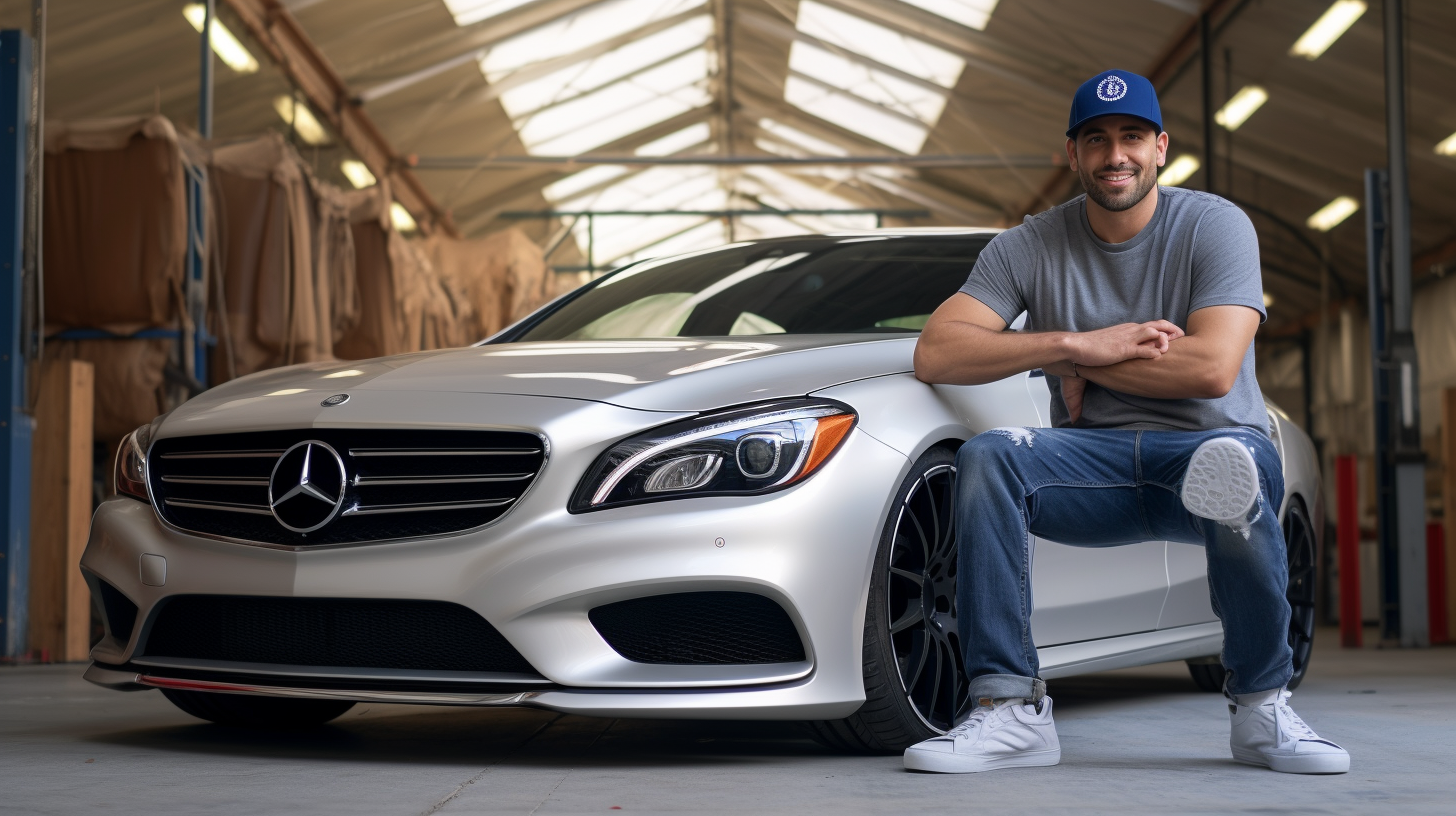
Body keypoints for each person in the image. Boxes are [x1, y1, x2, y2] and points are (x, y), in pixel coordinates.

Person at [904, 69, 1348, 775]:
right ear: (1073, 155)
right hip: (1093, 466)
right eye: (1098, 139)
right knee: (991, 456)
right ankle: (1009, 709)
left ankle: (1262, 709)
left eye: (1133, 137)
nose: (1117, 155)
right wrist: (1074, 346)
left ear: (1162, 147)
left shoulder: (1214, 225)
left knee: (1233, 459)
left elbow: (1211, 369)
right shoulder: (1029, 244)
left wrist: (1084, 368)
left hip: (1205, 453)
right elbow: (937, 351)